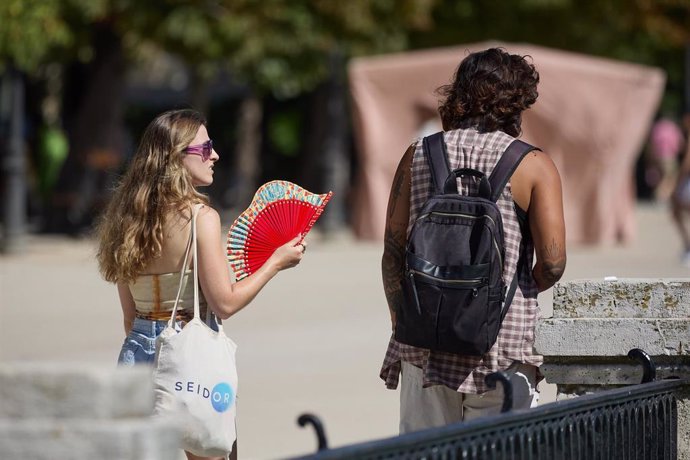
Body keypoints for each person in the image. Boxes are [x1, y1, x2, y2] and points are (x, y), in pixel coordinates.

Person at [96, 109, 306, 460]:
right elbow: (224, 303)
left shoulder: (126, 217)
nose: (215, 155)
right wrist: (276, 262)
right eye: (206, 148)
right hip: (190, 358)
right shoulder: (199, 218)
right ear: (177, 156)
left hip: (136, 356)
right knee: (209, 450)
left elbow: (130, 318)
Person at [380, 48, 567, 432]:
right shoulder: (533, 165)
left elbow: (393, 253)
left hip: (424, 343)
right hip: (503, 345)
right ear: (518, 101)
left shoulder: (418, 154)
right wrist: (517, 288)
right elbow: (553, 262)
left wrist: (403, 315)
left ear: (459, 94)